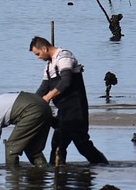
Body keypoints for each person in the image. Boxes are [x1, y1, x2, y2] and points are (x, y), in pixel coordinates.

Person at [30, 35, 108, 165]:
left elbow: (66, 81)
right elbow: (43, 89)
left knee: (82, 144)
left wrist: (48, 97)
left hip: (76, 109)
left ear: (44, 48)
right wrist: (31, 104)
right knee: (57, 145)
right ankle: (59, 177)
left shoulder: (64, 56)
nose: (38, 57)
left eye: (38, 54)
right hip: (63, 111)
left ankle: (104, 167)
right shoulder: (49, 66)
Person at [0, 92, 51, 169]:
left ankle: (13, 179)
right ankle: (43, 172)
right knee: (33, 148)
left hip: (32, 110)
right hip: (44, 106)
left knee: (11, 147)